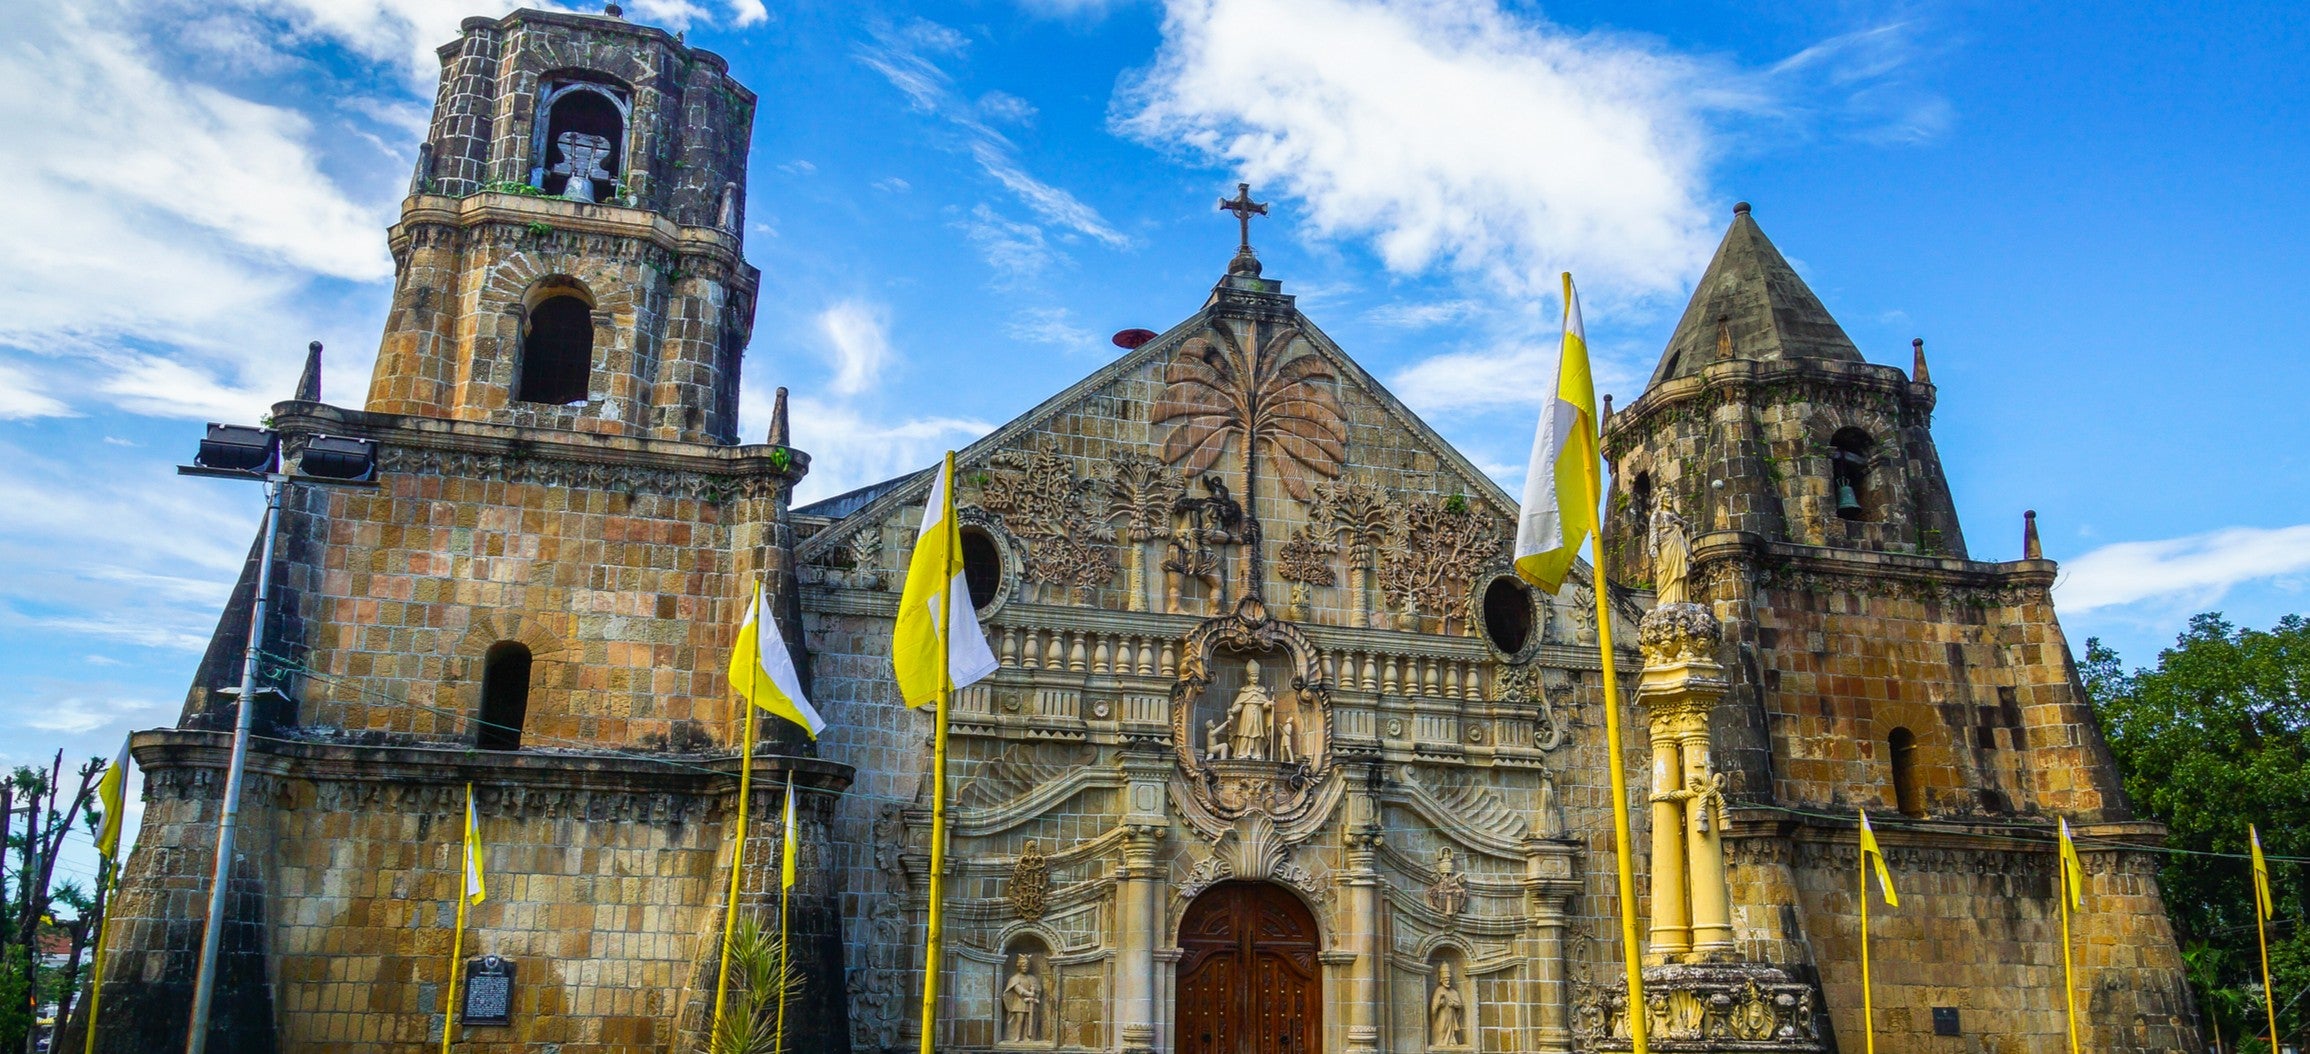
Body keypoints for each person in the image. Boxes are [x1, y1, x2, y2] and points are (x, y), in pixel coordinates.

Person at [1227, 659, 1273, 760]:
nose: (1255, 678)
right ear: (1248, 677)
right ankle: (1242, 753)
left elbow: (1264, 706)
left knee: (1257, 734)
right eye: (1253, 676)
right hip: (1246, 715)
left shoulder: (1261, 691)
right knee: (1245, 733)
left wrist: (1269, 704)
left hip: (1258, 714)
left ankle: (1256, 753)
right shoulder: (1244, 691)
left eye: (1256, 676)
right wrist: (1233, 710)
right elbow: (1240, 705)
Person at [1648, 506, 1691, 606]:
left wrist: (1682, 524)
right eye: (1667, 496)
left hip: (1678, 542)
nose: (1669, 498)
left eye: (1670, 496)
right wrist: (1653, 545)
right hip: (1665, 544)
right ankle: (1667, 597)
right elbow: (1653, 530)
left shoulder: (1676, 515)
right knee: (1666, 568)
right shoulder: (1657, 514)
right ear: (1662, 499)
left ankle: (1681, 596)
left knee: (1681, 567)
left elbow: (1685, 529)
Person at [1002, 953, 1042, 1042]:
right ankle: (1017, 1036)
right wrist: (1029, 994)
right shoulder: (1015, 978)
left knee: (1029, 1020)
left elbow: (1038, 989)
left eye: (1027, 966)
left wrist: (1035, 994)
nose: (1025, 967)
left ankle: (1028, 1037)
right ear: (1019, 966)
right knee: (1020, 1020)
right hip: (1019, 1002)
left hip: (1030, 1002)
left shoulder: (1032, 978)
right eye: (1023, 966)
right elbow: (1018, 989)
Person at [1430, 962, 1466, 1046]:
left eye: (1448, 980)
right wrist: (1440, 1003)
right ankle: (1440, 1042)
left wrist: (1453, 1004)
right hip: (1441, 1016)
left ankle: (1451, 1041)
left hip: (1451, 1016)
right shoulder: (1438, 991)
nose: (1448, 981)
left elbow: (1460, 1005)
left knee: (1451, 1031)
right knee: (1441, 1029)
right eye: (1446, 980)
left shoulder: (1454, 992)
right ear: (1441, 980)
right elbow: (1433, 1008)